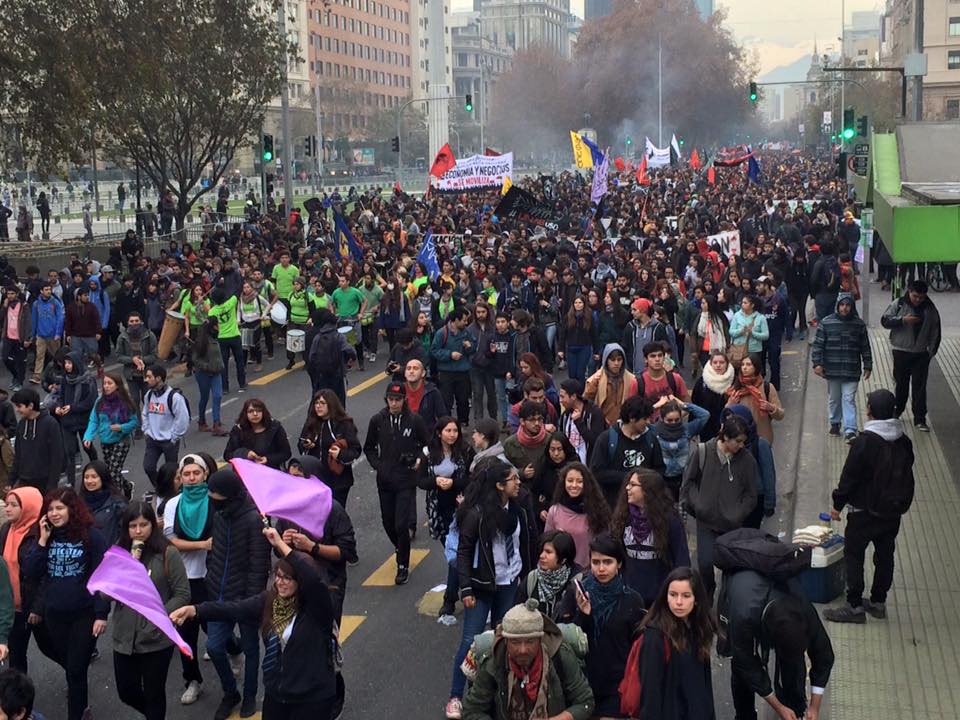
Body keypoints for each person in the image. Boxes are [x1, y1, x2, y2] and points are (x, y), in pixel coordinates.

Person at [171, 526, 339, 720]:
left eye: (288, 578)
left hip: (312, 698)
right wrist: (195, 610)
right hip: (278, 694)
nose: (281, 582)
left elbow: (312, 580)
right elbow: (234, 608)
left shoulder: (318, 608)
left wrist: (280, 544)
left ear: (301, 582)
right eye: (278, 576)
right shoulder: (270, 600)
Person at [447, 458, 536, 720]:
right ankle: (455, 696)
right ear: (499, 486)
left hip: (510, 583)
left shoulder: (517, 509)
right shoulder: (477, 513)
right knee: (471, 641)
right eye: (513, 480)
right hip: (483, 586)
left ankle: (497, 693)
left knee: (504, 639)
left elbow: (526, 543)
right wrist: (466, 589)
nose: (518, 483)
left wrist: (527, 577)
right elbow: (463, 552)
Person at [824, 389, 915, 624]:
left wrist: (837, 504)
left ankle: (853, 606)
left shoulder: (865, 442)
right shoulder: (904, 440)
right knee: (885, 556)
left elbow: (849, 477)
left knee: (854, 556)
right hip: (892, 511)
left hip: (863, 512)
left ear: (870, 411)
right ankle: (878, 602)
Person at [25, 488, 108, 720]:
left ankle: (79, 714)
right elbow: (31, 571)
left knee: (76, 669)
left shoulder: (91, 535)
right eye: (50, 509)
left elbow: (102, 575)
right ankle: (81, 701)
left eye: (59, 508)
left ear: (72, 509)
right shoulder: (46, 536)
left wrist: (101, 614)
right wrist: (42, 540)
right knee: (72, 668)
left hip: (84, 613)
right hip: (55, 614)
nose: (54, 513)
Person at [203, 466, 272, 720]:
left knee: (252, 648)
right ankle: (230, 692)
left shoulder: (254, 520)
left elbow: (259, 565)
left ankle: (250, 694)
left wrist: (251, 600)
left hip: (246, 598)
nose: (213, 502)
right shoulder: (219, 516)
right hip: (219, 593)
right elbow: (215, 551)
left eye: (216, 498)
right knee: (214, 646)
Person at [111, 502, 190, 720]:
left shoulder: (167, 553)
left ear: (152, 525)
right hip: (124, 637)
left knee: (155, 693)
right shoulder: (119, 553)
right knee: (126, 691)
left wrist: (157, 617)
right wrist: (127, 567)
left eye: (143, 525)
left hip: (156, 638)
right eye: (133, 526)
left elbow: (182, 593)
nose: (138, 531)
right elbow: (105, 594)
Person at [720, 569, 834, 720]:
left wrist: (814, 706)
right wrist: (778, 706)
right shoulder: (743, 616)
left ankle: (795, 708)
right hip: (741, 590)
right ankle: (744, 715)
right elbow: (746, 663)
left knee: (793, 664)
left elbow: (824, 656)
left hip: (775, 594)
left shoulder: (804, 610)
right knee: (742, 670)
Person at [460, 598, 596, 720]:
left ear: (540, 639)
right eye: (515, 642)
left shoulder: (560, 655)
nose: (523, 650)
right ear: (506, 641)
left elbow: (585, 702)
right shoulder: (493, 661)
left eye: (530, 641)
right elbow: (472, 710)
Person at [564, 532, 646, 718]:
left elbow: (638, 648)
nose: (601, 568)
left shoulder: (632, 600)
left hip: (617, 686)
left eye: (607, 562)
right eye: (596, 562)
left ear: (619, 563)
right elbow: (567, 640)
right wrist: (584, 616)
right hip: (582, 684)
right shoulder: (577, 593)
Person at [679, 413, 758, 600]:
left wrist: (737, 514)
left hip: (732, 525)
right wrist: (698, 505)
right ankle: (706, 597)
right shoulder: (703, 451)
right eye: (738, 441)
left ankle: (726, 602)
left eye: (743, 442)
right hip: (706, 522)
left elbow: (751, 495)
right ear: (726, 437)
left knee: (730, 568)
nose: (741, 445)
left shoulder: (747, 461)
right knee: (704, 564)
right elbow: (688, 483)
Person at [363, 383, 429, 585]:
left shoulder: (414, 420)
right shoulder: (378, 420)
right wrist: (379, 466)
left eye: (397, 399)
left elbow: (427, 444)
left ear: (404, 400)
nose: (394, 403)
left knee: (401, 524)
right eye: (391, 399)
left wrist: (419, 459)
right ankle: (400, 546)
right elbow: (369, 448)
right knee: (387, 522)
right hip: (385, 480)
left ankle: (403, 564)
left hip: (406, 479)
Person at [282, 455, 359, 624]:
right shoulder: (287, 509)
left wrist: (312, 547)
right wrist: (283, 541)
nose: (293, 483)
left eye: (298, 478)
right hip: (296, 584)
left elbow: (346, 551)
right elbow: (279, 550)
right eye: (290, 478)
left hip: (328, 584)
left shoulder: (333, 510)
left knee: (324, 637)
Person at [163, 454, 214, 706]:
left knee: (214, 630)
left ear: (205, 474)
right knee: (185, 635)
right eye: (187, 474)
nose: (192, 478)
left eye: (196, 473)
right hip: (182, 580)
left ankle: (233, 651)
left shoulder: (214, 500)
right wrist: (202, 544)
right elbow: (171, 541)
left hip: (210, 577)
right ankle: (192, 680)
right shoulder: (173, 504)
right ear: (180, 478)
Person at [632, 567, 716, 720]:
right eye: (673, 595)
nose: (678, 602)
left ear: (696, 599)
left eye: (685, 596)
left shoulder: (699, 629)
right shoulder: (655, 636)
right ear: (666, 597)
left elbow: (704, 687)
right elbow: (651, 694)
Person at [419, 416, 474, 617]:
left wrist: (455, 483)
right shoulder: (427, 453)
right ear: (439, 432)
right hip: (439, 511)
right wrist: (436, 481)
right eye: (448, 431)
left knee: (457, 554)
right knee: (453, 553)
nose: (452, 435)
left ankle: (450, 598)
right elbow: (420, 481)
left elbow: (472, 477)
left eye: (455, 431)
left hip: (461, 508)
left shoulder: (466, 451)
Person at [610, 469, 690, 606]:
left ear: (647, 490)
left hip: (659, 598)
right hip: (629, 596)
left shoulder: (670, 520)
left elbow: (681, 560)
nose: (627, 488)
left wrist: (677, 593)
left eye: (633, 484)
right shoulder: (623, 517)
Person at [880, 279, 941, 432]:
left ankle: (920, 418)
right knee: (901, 383)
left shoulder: (930, 308)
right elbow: (885, 320)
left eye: (921, 297)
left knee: (919, 387)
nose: (918, 300)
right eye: (915, 296)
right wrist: (902, 320)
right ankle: (897, 410)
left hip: (921, 353)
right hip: (901, 351)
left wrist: (931, 351)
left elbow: (935, 329)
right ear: (909, 291)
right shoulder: (899, 303)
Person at [811, 293, 872, 442]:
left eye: (848, 305)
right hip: (832, 370)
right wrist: (817, 363)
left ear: (852, 307)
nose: (845, 308)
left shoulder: (859, 325)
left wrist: (868, 365)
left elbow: (865, 347)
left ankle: (850, 429)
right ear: (837, 306)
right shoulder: (826, 323)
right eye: (842, 305)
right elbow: (818, 345)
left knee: (848, 398)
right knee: (834, 398)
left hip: (851, 370)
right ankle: (835, 423)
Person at [589, 396, 665, 509]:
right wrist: (629, 478)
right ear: (632, 418)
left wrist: (646, 482)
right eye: (645, 419)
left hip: (643, 507)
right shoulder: (607, 439)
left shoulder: (651, 439)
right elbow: (597, 472)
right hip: (613, 505)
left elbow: (660, 469)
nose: (648, 423)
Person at [0, 487, 42, 673]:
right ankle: (20, 700)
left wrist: (37, 607)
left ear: (28, 507)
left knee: (52, 649)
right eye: (7, 504)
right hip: (13, 608)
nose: (8, 509)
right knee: (16, 658)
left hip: (34, 607)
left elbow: (44, 575)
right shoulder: (6, 529)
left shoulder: (41, 532)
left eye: (14, 505)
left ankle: (75, 674)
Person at [297, 390, 362, 508]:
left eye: (322, 403)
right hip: (315, 480)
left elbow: (356, 450)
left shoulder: (344, 424)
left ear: (331, 405)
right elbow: (300, 444)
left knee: (334, 514)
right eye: (316, 403)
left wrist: (340, 454)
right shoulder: (311, 423)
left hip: (338, 481)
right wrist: (306, 445)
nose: (318, 406)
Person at [543, 463, 610, 570]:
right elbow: (546, 545)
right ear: (563, 483)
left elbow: (604, 545)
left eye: (579, 481)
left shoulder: (597, 511)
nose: (574, 485)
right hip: (560, 571)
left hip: (588, 572)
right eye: (570, 481)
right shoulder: (554, 511)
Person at [83, 372, 139, 498]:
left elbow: (134, 422)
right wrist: (88, 437)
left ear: (117, 385)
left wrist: (121, 427)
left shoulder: (125, 402)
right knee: (111, 472)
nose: (106, 386)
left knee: (113, 473)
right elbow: (94, 420)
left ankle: (117, 500)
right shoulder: (100, 401)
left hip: (121, 440)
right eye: (104, 383)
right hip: (105, 440)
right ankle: (127, 486)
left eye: (110, 383)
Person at [48, 351, 98, 487]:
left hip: (83, 420)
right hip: (67, 421)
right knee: (69, 451)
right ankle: (71, 483)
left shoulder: (88, 380)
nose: (67, 366)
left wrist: (73, 407)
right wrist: (58, 407)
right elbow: (60, 396)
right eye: (66, 363)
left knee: (87, 447)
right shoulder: (65, 379)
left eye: (69, 363)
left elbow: (90, 402)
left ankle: (97, 469)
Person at [514, 530, 582, 623]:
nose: (542, 556)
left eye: (548, 552)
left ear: (563, 559)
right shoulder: (532, 579)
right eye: (542, 551)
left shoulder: (577, 581)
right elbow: (515, 614)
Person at [141, 365, 190, 486]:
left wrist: (174, 437)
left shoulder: (174, 397)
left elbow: (183, 419)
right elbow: (145, 413)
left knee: (171, 473)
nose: (145, 380)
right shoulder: (148, 395)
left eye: (149, 377)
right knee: (149, 467)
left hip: (169, 442)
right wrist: (146, 430)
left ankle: (174, 491)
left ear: (158, 378)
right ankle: (161, 488)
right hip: (152, 440)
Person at [653, 398, 711, 500]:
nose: (673, 423)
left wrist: (683, 405)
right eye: (669, 420)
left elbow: (705, 415)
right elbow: (638, 417)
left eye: (677, 420)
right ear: (662, 418)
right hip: (661, 478)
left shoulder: (687, 430)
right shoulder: (654, 431)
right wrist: (656, 406)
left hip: (683, 477)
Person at [9, 389, 63, 493]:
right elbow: (18, 455)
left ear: (30, 406)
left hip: (44, 481)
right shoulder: (21, 424)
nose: (16, 410)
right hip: (24, 480)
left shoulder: (50, 424)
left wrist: (52, 484)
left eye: (19, 406)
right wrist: (11, 481)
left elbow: (57, 456)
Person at [726, 353, 784, 446]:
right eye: (743, 365)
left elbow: (780, 415)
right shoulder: (736, 388)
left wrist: (771, 408)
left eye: (748, 365)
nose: (744, 368)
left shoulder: (767, 387)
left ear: (756, 367)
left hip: (762, 439)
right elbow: (725, 416)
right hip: (740, 441)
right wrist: (730, 404)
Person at [431, 307, 475, 425]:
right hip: (446, 373)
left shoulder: (466, 332)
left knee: (463, 400)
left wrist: (469, 347)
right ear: (455, 320)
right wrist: (450, 354)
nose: (466, 323)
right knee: (446, 401)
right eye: (464, 320)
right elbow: (434, 351)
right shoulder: (442, 333)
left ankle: (463, 423)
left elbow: (473, 348)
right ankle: (447, 424)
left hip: (463, 372)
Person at [223, 398, 292, 470]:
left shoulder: (275, 428)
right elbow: (227, 455)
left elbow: (286, 453)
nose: (255, 414)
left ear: (263, 412)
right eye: (251, 411)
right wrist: (245, 454)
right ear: (245, 414)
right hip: (245, 473)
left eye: (258, 411)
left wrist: (268, 459)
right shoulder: (238, 429)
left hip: (271, 471)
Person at [114, 311, 158, 419]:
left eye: (136, 321)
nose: (134, 323)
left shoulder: (149, 335)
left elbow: (154, 355)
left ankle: (152, 425)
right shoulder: (122, 337)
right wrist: (132, 360)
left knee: (149, 401)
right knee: (134, 402)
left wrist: (142, 360)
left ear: (141, 322)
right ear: (128, 323)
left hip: (147, 375)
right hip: (131, 375)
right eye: (132, 321)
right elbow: (118, 356)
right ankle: (138, 427)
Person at [307, 309, 357, 403]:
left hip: (322, 375)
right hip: (337, 373)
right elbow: (350, 350)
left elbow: (311, 356)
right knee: (339, 401)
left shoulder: (318, 337)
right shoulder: (339, 337)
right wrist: (352, 359)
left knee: (323, 399)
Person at [584, 343, 638, 426]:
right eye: (612, 360)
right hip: (601, 423)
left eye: (619, 359)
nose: (616, 363)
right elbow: (586, 401)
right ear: (606, 361)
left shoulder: (631, 379)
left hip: (624, 424)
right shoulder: (596, 378)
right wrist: (594, 384)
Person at [502, 400, 551, 491]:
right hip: (521, 491)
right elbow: (504, 470)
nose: (537, 423)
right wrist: (521, 473)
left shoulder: (550, 440)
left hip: (545, 490)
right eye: (532, 420)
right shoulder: (510, 443)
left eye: (539, 419)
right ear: (522, 421)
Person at [205, 288, 246, 394]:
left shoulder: (212, 311)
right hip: (234, 335)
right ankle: (242, 384)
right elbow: (236, 291)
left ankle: (225, 388)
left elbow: (210, 324)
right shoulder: (231, 303)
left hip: (221, 338)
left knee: (224, 363)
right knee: (239, 361)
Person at [191, 318, 227, 436]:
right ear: (214, 327)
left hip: (216, 373)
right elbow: (195, 359)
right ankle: (202, 421)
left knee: (217, 396)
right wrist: (207, 367)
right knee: (204, 397)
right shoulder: (202, 341)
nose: (219, 327)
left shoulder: (215, 339)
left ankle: (216, 424)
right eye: (217, 325)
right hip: (203, 374)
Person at [78, 461, 127, 547]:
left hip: (109, 555)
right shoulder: (78, 503)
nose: (89, 481)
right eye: (86, 477)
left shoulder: (117, 503)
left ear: (103, 478)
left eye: (94, 477)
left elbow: (126, 531)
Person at [558, 378, 606, 463]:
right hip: (569, 466)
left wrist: (579, 422)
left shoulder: (594, 413)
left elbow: (597, 442)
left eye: (562, 397)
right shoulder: (565, 415)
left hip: (588, 467)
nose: (560, 400)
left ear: (573, 396)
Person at [691, 350, 735, 441]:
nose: (718, 365)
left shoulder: (734, 382)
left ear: (727, 364)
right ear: (710, 364)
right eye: (715, 362)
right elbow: (694, 406)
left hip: (728, 428)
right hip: (706, 427)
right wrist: (693, 429)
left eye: (721, 362)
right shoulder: (702, 382)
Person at [28, 282, 64, 386]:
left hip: (53, 335)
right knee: (39, 356)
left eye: (49, 289)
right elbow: (34, 320)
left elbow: (60, 318)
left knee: (57, 355)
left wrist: (58, 333)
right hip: (41, 334)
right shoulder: (36, 304)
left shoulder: (55, 302)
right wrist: (33, 335)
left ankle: (62, 372)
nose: (48, 291)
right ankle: (37, 375)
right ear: (41, 291)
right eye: (46, 289)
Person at [402, 357, 448, 436]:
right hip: (403, 435)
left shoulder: (432, 392)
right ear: (405, 373)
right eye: (408, 369)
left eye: (415, 368)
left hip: (426, 435)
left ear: (423, 373)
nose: (411, 371)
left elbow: (442, 417)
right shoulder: (399, 390)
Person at [0, 286, 31, 391]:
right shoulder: (6, 305)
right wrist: (4, 307)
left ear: (17, 294)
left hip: (20, 338)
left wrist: (27, 338)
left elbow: (28, 323)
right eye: (8, 294)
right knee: (5, 358)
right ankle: (15, 376)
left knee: (20, 361)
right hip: (8, 337)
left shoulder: (24, 306)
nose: (10, 296)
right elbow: (1, 318)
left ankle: (19, 382)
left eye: (12, 293)